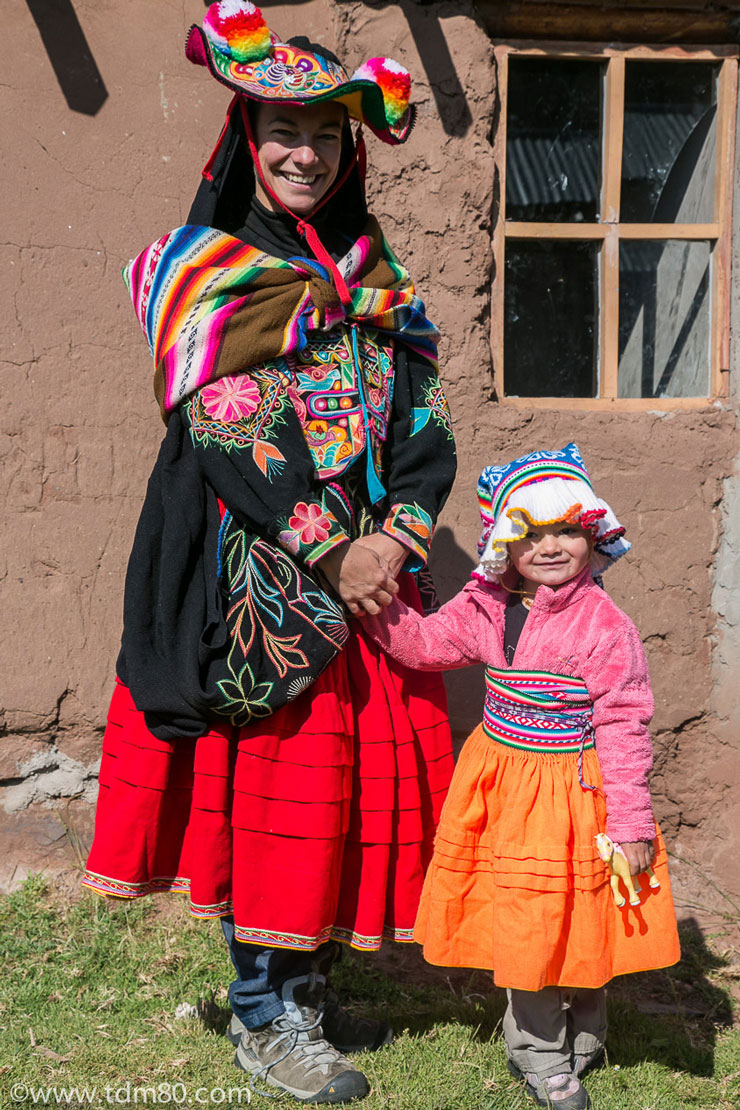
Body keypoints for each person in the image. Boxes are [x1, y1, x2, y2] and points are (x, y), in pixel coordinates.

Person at [82, 3, 457, 1103]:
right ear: (248, 140)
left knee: (340, 790)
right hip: (258, 582)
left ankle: (310, 975)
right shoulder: (209, 275)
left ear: (348, 156)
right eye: (283, 131)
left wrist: (396, 534)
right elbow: (227, 427)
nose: (304, 153)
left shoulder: (374, 287)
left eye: (325, 136)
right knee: (272, 790)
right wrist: (327, 548)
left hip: (369, 584)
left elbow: (422, 426)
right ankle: (261, 1010)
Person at [365, 444, 681, 1110]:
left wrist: (628, 822)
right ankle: (540, 1052)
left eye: (566, 529)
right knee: (530, 919)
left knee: (585, 916)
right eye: (528, 533)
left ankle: (585, 1037)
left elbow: (624, 727)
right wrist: (373, 603)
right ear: (502, 545)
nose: (550, 546)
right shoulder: (485, 608)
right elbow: (424, 646)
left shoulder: (606, 627)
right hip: (505, 788)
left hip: (577, 794)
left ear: (595, 534)